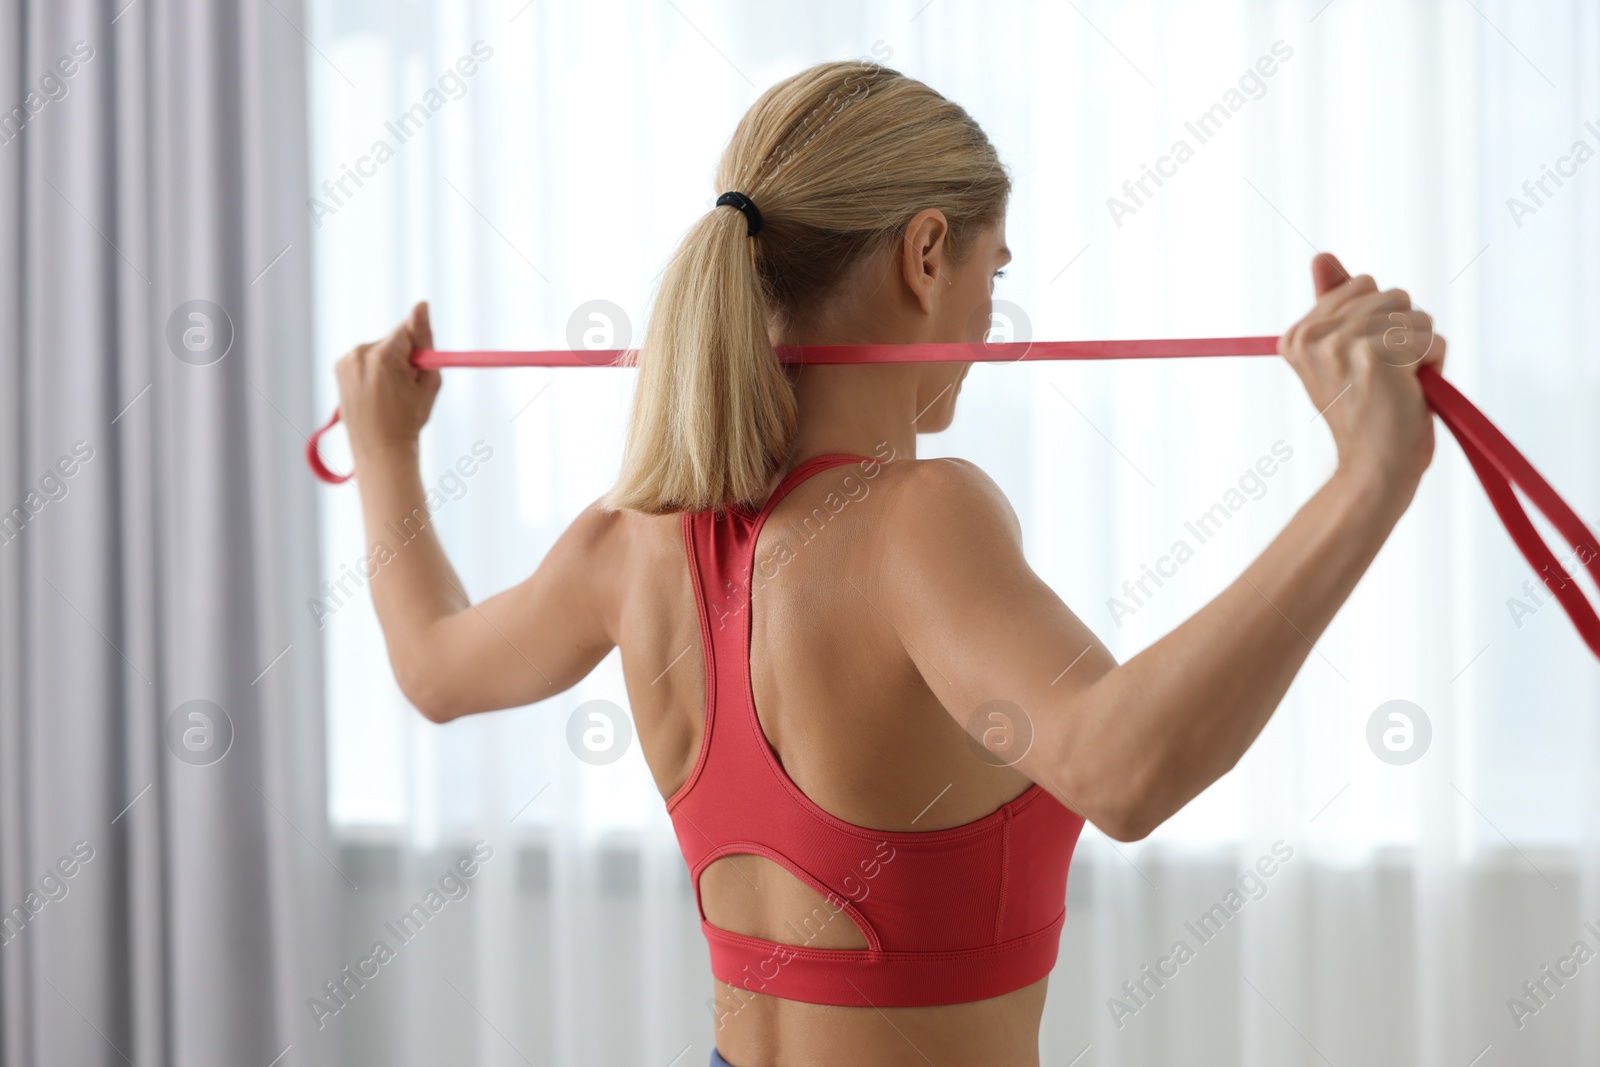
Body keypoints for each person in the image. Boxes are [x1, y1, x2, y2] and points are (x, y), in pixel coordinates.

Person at [335, 61, 1443, 1067]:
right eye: (988, 267)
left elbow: (434, 667)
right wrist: (1368, 475)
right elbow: (1123, 769)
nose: (987, 310)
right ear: (924, 253)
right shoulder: (920, 516)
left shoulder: (629, 541)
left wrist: (383, 446)